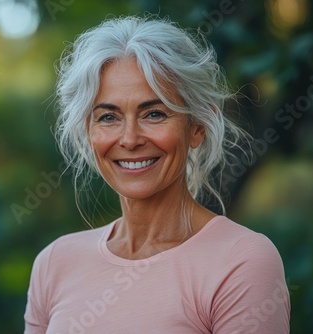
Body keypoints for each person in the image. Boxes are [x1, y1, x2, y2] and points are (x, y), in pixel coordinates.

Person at [24, 15, 290, 333]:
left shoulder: (241, 260)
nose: (130, 138)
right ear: (88, 132)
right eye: (108, 116)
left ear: (197, 128)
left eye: (154, 113)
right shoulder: (54, 263)